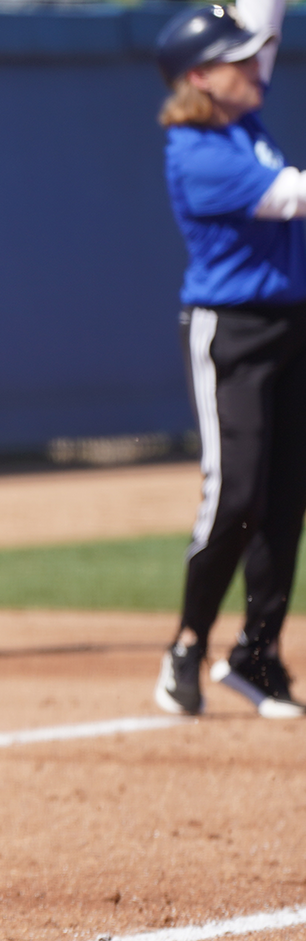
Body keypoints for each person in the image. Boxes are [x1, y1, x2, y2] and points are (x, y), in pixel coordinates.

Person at [153, 0, 306, 720]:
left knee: (285, 496)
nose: (256, 68)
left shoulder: (240, 117)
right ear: (201, 77)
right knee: (237, 495)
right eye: (238, 60)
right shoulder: (196, 150)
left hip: (292, 324)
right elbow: (289, 196)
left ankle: (257, 656)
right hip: (230, 335)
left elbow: (261, 38)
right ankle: (186, 644)